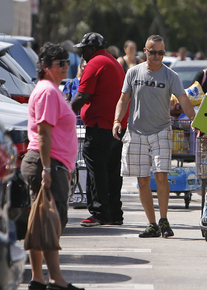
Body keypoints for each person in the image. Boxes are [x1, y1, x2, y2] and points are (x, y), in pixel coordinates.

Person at [112, 35, 196, 238]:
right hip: (136, 132)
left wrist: (195, 120)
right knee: (142, 181)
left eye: (160, 52)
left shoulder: (171, 76)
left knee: (161, 176)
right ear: (145, 51)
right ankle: (151, 224)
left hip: (161, 131)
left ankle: (164, 220)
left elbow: (184, 100)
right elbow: (123, 99)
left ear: (164, 53)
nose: (156, 56)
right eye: (152, 51)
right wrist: (116, 121)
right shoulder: (133, 73)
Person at [20, 43, 84, 290]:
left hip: (50, 164)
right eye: (61, 63)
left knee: (40, 220)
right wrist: (47, 169)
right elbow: (44, 132)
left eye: (67, 62)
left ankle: (38, 279)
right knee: (51, 222)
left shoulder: (50, 89)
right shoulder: (47, 91)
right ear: (46, 67)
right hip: (47, 164)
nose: (66, 66)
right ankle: (56, 280)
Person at [71, 32, 129, 227]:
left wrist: (63, 114)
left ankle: (99, 213)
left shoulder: (95, 63)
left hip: (100, 127)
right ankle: (114, 213)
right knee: (112, 170)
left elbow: (82, 96)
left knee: (97, 170)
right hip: (116, 127)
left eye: (84, 50)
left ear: (92, 48)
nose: (82, 54)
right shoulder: (112, 61)